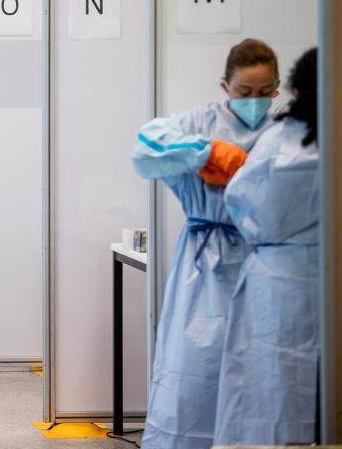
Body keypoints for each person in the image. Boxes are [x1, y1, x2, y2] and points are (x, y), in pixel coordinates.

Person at [132, 39, 281, 449]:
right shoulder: (200, 124)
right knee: (195, 371)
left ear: (277, 90)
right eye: (243, 92)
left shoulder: (284, 130)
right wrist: (205, 152)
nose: (255, 101)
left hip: (264, 261)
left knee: (259, 375)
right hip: (204, 264)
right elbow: (145, 149)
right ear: (224, 86)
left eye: (264, 92)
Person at [214, 48, 319, 445]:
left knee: (269, 395)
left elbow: (241, 201)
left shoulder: (280, 138)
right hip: (314, 280)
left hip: (275, 281)